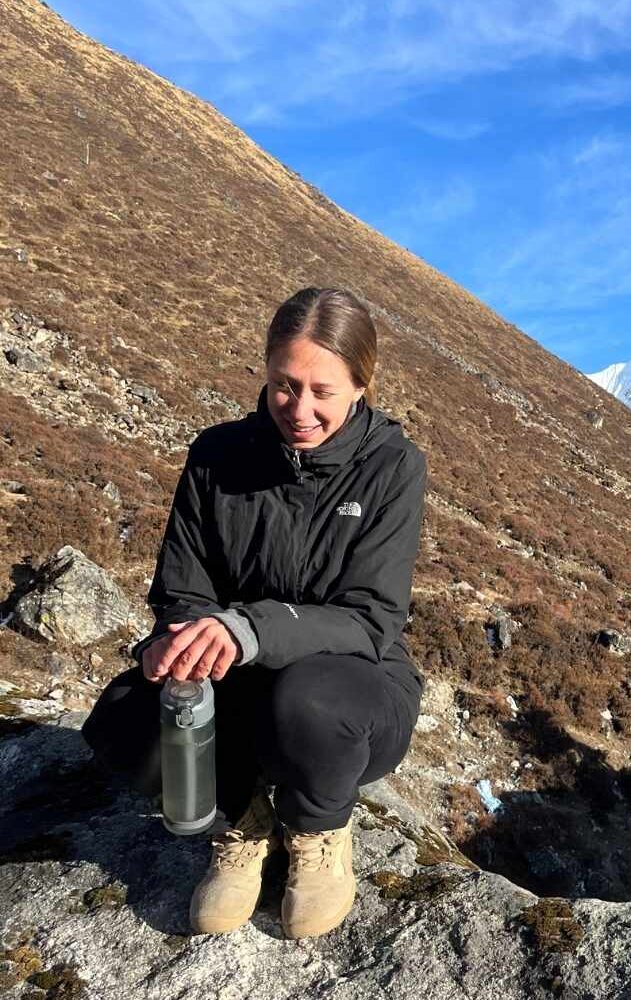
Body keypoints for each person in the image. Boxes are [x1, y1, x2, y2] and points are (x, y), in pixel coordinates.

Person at [81, 287, 428, 939]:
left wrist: (247, 630)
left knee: (308, 701)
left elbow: (372, 619)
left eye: (322, 391)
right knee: (124, 714)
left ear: (361, 384)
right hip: (239, 677)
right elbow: (183, 587)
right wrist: (175, 640)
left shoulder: (393, 467)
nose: (299, 409)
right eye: (283, 386)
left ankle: (319, 828)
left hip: (354, 689)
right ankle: (242, 822)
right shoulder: (217, 456)